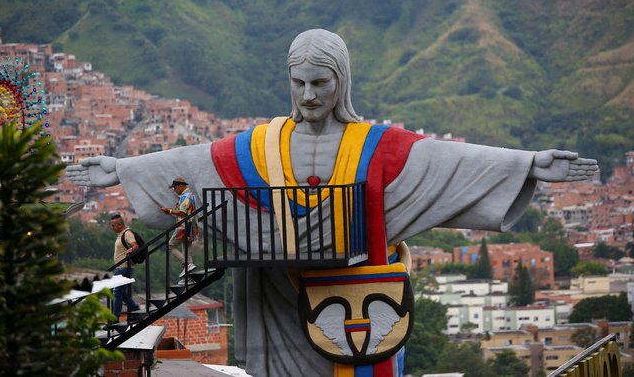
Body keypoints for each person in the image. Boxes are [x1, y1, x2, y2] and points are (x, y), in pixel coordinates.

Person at [66, 29, 598, 377]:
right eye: (298, 83)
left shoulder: (378, 148)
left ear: (340, 81)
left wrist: (528, 163)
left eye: (320, 83)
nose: (308, 95)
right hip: (277, 297)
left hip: (359, 301)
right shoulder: (260, 146)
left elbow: (445, 161)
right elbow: (199, 161)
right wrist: (120, 169)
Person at [160, 176, 198, 283]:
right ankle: (190, 277)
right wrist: (170, 211)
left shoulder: (186, 196)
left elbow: (182, 212)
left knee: (169, 246)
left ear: (181, 186)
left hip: (184, 226)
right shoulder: (190, 195)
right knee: (187, 251)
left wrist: (170, 211)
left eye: (175, 187)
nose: (174, 190)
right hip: (190, 226)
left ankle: (187, 264)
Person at [109, 214, 141, 321]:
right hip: (120, 268)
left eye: (113, 225)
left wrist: (131, 250)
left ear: (120, 224)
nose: (112, 228)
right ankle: (135, 309)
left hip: (124, 267)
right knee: (121, 293)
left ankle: (115, 317)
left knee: (117, 291)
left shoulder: (127, 233)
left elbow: (135, 246)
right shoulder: (120, 234)